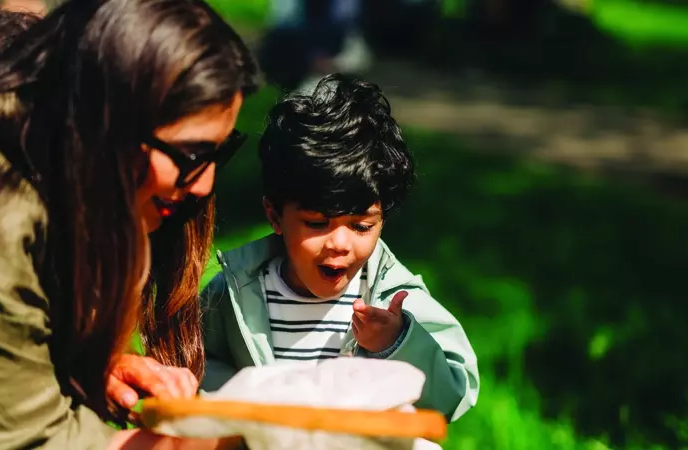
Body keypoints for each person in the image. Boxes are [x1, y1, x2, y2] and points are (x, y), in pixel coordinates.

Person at [0, 0, 258, 448]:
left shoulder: (49, 152)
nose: (205, 184)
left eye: (219, 154)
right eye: (192, 157)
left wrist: (101, 363)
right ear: (106, 126)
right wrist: (229, 440)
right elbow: (33, 441)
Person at [200, 74, 479, 422]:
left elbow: (451, 395)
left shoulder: (393, 302)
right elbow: (197, 364)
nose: (340, 244)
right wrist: (252, 401)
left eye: (361, 226)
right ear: (275, 216)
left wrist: (397, 344)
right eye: (317, 223)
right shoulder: (234, 293)